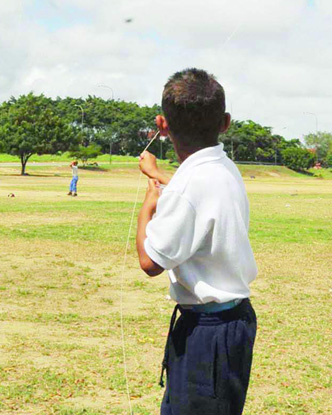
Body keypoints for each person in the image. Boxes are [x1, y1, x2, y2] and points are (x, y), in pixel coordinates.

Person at [136, 68, 258, 415]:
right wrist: (159, 174)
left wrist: (148, 208)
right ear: (226, 123)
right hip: (229, 324)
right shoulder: (222, 166)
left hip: (208, 335)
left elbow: (150, 261)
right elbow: (194, 189)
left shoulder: (190, 184)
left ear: (162, 124)